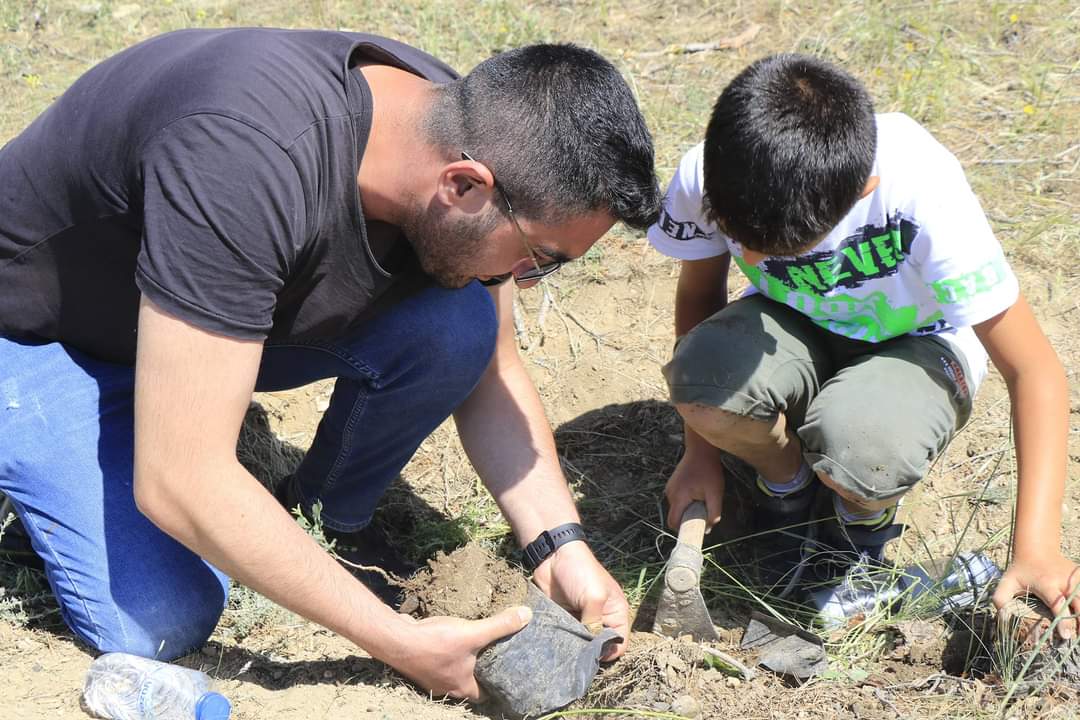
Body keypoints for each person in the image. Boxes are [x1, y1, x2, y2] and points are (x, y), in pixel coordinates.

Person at [0, 28, 660, 699]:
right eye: (538, 257)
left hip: (180, 320)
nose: (527, 280)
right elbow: (177, 478)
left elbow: (492, 369)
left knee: (459, 325)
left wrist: (560, 549)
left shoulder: (459, 120)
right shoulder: (241, 155)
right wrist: (397, 642)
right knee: (160, 618)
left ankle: (327, 521)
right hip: (40, 337)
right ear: (465, 186)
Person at [647, 53, 1078, 635]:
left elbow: (1035, 372)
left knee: (866, 446)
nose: (748, 258)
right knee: (700, 383)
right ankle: (787, 485)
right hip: (792, 324)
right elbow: (700, 298)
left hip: (917, 343)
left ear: (861, 194)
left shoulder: (920, 191)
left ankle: (854, 526)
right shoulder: (712, 173)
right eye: (740, 238)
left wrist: (1037, 549)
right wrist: (698, 453)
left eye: (774, 249)